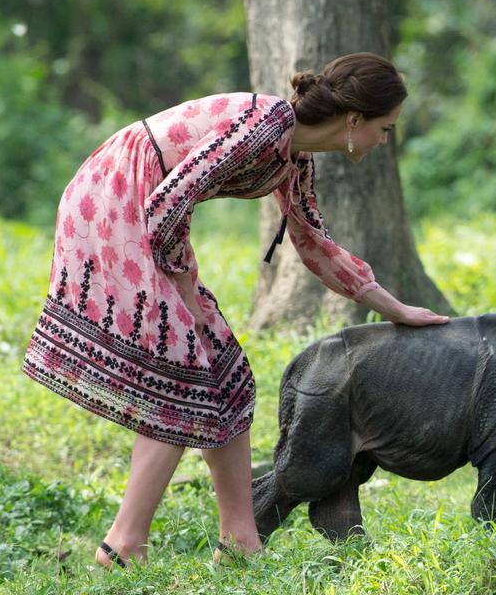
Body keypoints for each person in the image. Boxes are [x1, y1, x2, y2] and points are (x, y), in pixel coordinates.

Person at [23, 52, 449, 568]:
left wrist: (396, 308)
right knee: (184, 380)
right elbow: (166, 203)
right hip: (116, 195)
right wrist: (184, 292)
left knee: (231, 381)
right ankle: (123, 546)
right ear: (355, 121)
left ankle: (239, 542)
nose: (386, 139)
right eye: (387, 128)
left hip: (150, 217)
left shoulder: (293, 158)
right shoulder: (266, 124)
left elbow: (315, 245)